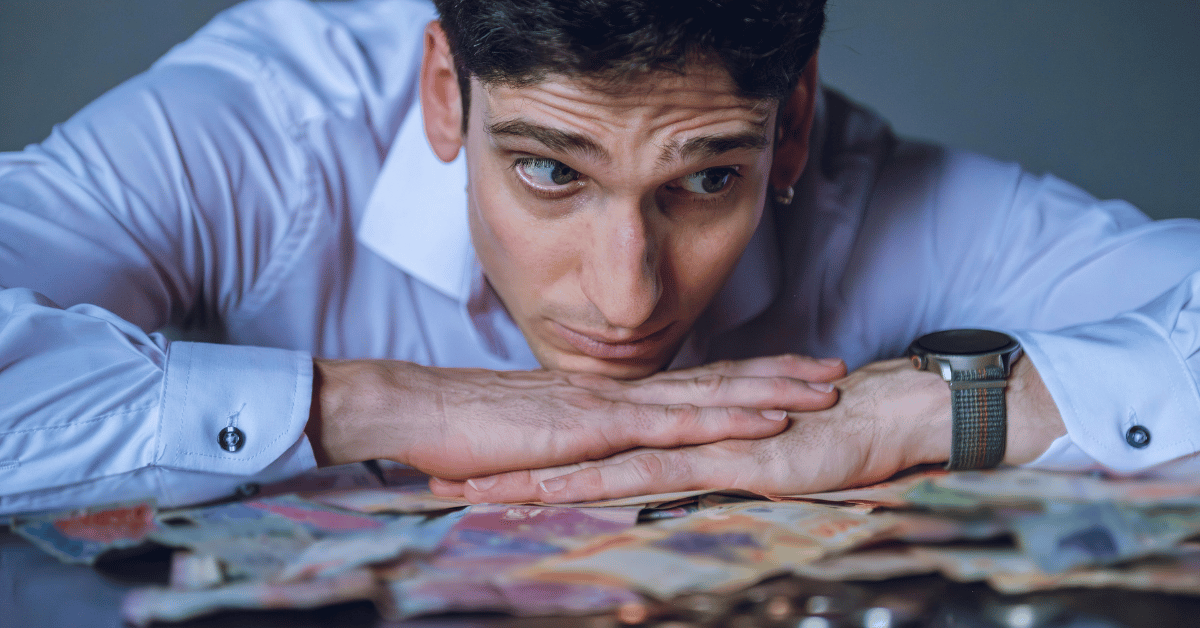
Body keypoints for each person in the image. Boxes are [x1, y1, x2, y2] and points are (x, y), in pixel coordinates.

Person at [1, 0, 1197, 515]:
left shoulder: (860, 192)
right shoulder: (267, 131)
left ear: (794, 123)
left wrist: (917, 411)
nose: (626, 296)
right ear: (441, 95)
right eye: (551, 172)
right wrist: (361, 401)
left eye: (707, 180)